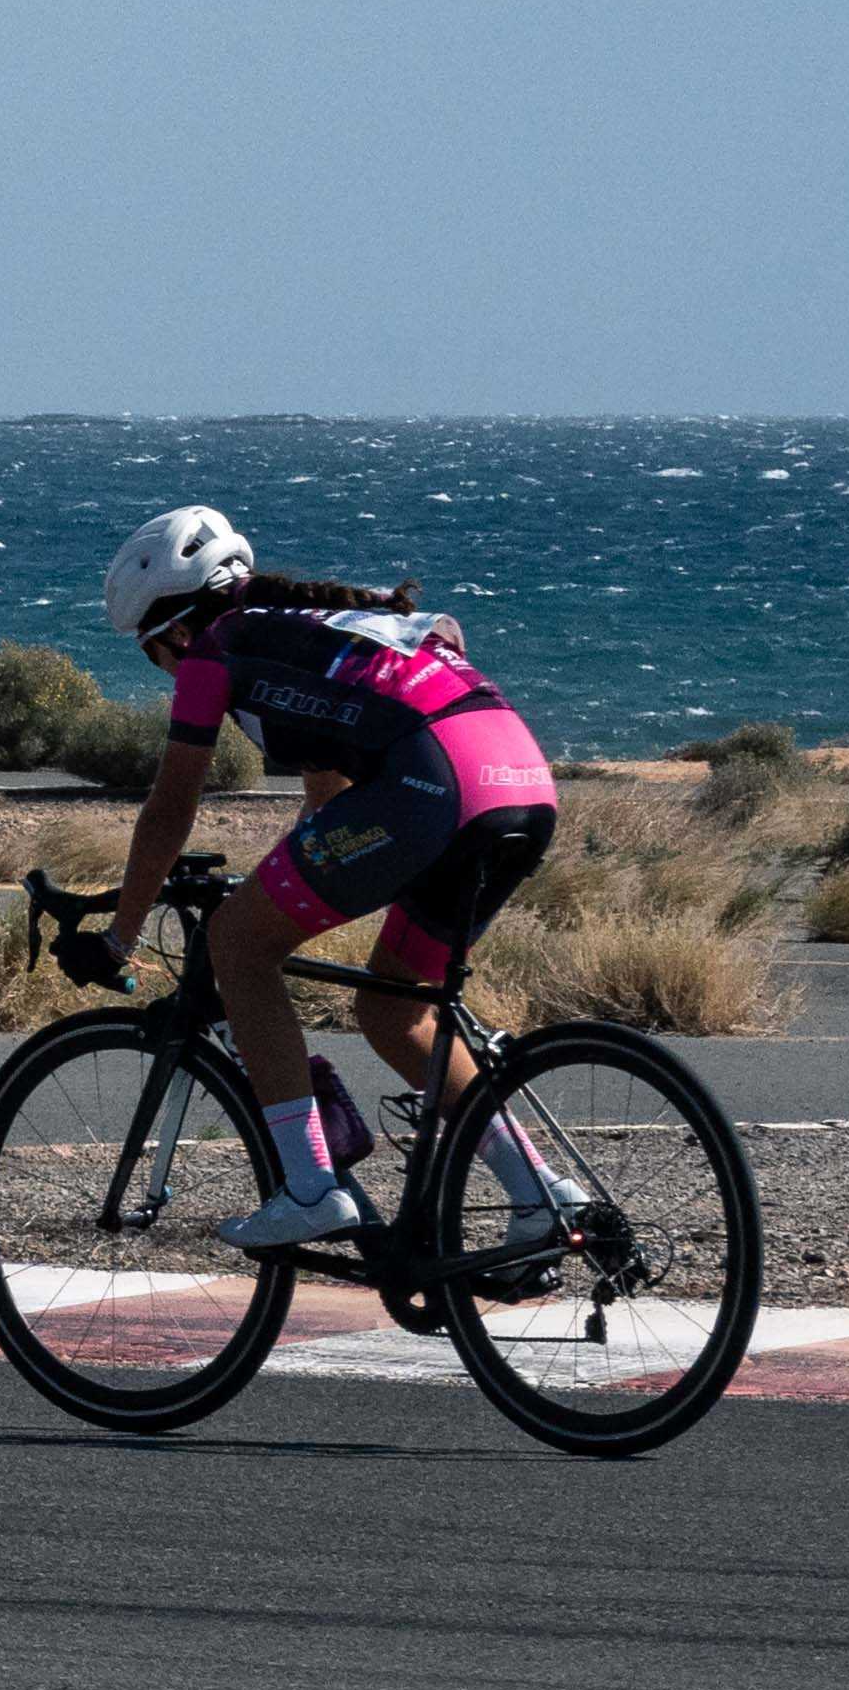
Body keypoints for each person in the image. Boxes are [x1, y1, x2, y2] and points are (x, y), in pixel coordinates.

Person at [85, 507, 564, 1251]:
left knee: (237, 947)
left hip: (434, 788)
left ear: (172, 629)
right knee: (394, 1013)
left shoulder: (215, 651)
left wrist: (120, 937)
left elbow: (170, 807)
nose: (165, 671)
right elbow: (329, 802)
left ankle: (310, 1186)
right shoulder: (314, 632)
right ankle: (540, 1195)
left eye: (153, 656)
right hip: (522, 785)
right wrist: (275, 884)